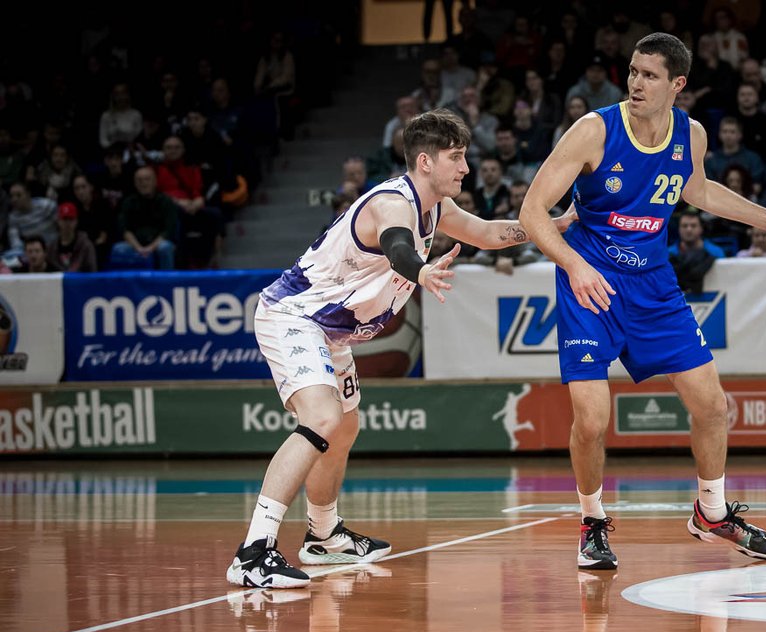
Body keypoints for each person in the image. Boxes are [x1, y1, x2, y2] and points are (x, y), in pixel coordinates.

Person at [227, 108, 576, 588]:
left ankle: (323, 536)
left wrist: (555, 223)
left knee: (345, 428)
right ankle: (253, 551)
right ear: (426, 162)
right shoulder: (392, 203)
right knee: (322, 420)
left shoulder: (437, 208)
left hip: (332, 331)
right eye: (456, 158)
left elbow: (490, 233)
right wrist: (420, 270)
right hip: (294, 316)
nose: (466, 168)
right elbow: (397, 247)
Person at [519, 33, 766, 571]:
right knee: (592, 420)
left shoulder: (690, 134)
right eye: (633, 72)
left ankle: (711, 514)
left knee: (713, 406)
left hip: (654, 287)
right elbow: (532, 211)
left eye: (649, 75)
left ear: (677, 84)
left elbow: (700, 191)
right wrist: (575, 265)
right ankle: (592, 523)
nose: (636, 82)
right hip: (589, 283)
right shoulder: (594, 130)